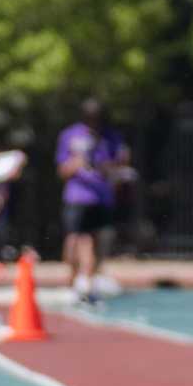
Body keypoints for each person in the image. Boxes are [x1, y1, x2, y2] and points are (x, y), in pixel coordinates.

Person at [56, 98, 128, 304]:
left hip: (102, 196)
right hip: (77, 196)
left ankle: (89, 279)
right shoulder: (70, 135)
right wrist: (76, 163)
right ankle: (73, 282)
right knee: (76, 238)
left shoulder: (110, 137)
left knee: (98, 240)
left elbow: (119, 165)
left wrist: (112, 167)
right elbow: (61, 170)